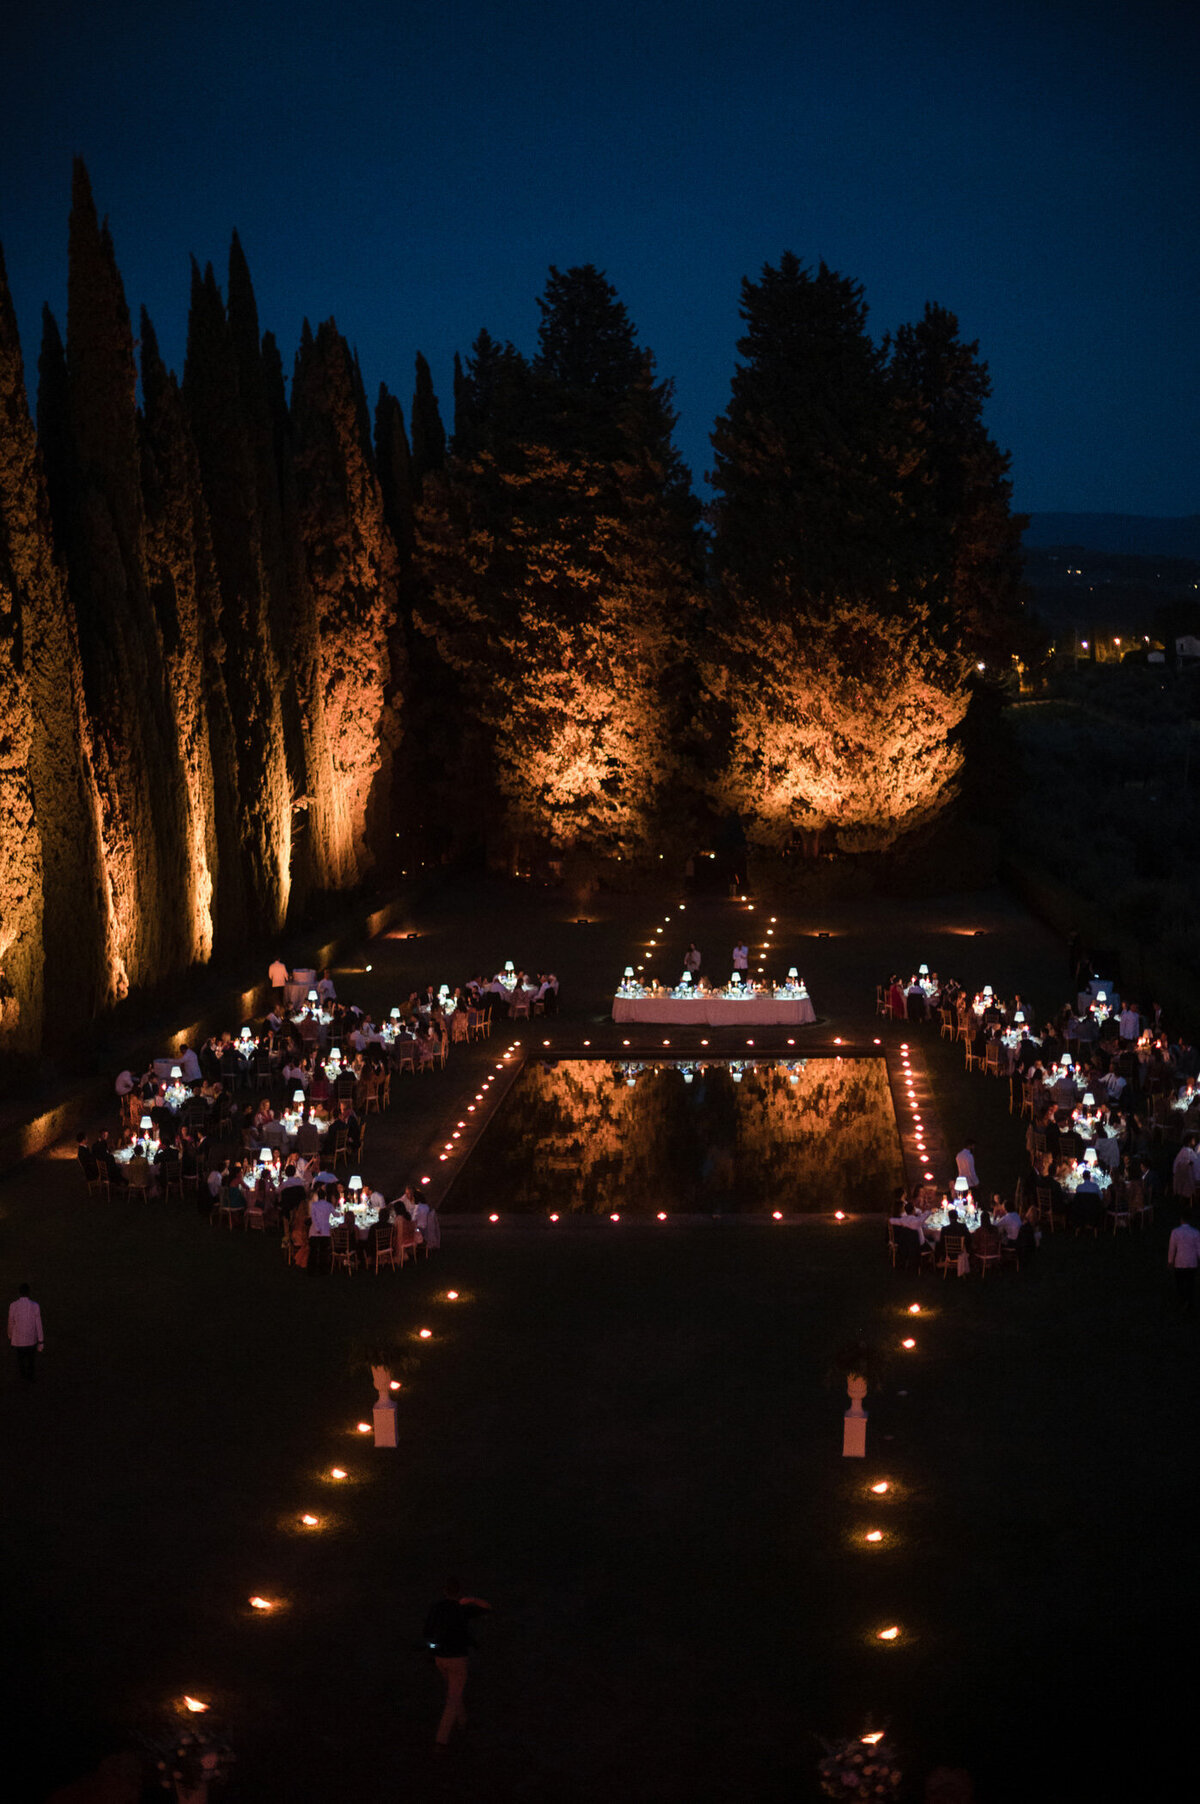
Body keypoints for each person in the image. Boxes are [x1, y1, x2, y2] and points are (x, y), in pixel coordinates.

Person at [424, 1578, 491, 1749]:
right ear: (459, 1592)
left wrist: (432, 1649)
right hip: (457, 1658)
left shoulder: (436, 1608)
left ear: (444, 1591)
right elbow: (487, 1608)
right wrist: (472, 1600)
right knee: (453, 1698)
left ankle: (463, 1720)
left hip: (440, 1657)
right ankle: (441, 1738)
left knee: (454, 1688)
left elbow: (427, 1632)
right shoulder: (462, 1609)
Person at [8, 1282, 44, 1382]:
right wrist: (41, 1340)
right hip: (31, 1338)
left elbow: (10, 1322)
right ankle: (30, 1377)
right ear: (29, 1292)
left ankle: (23, 1376)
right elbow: (38, 1324)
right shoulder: (35, 1305)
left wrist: (10, 1335)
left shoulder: (13, 1305)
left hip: (18, 1339)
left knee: (20, 1359)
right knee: (31, 1359)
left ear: (19, 1292)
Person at [1167, 1208, 1200, 1311]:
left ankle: (1181, 1302)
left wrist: (1170, 1261)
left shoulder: (1175, 1232)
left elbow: (1172, 1248)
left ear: (1181, 1219)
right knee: (1191, 1283)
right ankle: (1190, 1303)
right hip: (1192, 1262)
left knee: (1179, 1284)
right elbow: (1199, 1248)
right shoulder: (1196, 1232)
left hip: (1179, 1262)